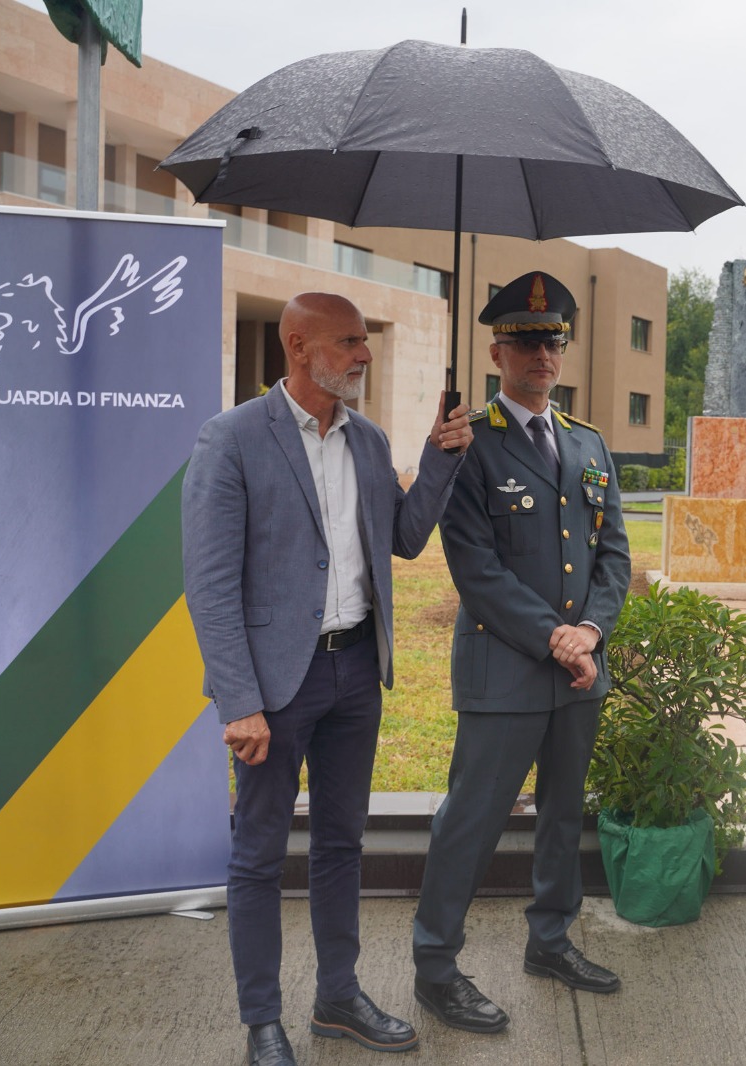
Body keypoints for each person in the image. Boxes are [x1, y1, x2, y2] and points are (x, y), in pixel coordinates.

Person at [182, 292, 473, 1066]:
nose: (364, 355)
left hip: (354, 675)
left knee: (342, 843)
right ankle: (261, 1021)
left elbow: (405, 540)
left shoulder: (369, 443)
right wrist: (238, 701)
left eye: (365, 341)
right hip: (275, 689)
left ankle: (337, 998)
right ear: (297, 345)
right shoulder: (234, 438)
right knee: (259, 853)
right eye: (348, 342)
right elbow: (209, 585)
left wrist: (441, 456)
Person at [411, 272, 631, 1034]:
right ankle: (436, 966)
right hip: (506, 672)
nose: (544, 353)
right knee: (469, 822)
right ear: (497, 350)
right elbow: (474, 568)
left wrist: (592, 634)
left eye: (554, 340)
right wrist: (555, 636)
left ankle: (550, 940)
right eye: (528, 340)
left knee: (562, 818)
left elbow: (615, 559)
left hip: (579, 675)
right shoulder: (467, 443)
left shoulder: (589, 443)